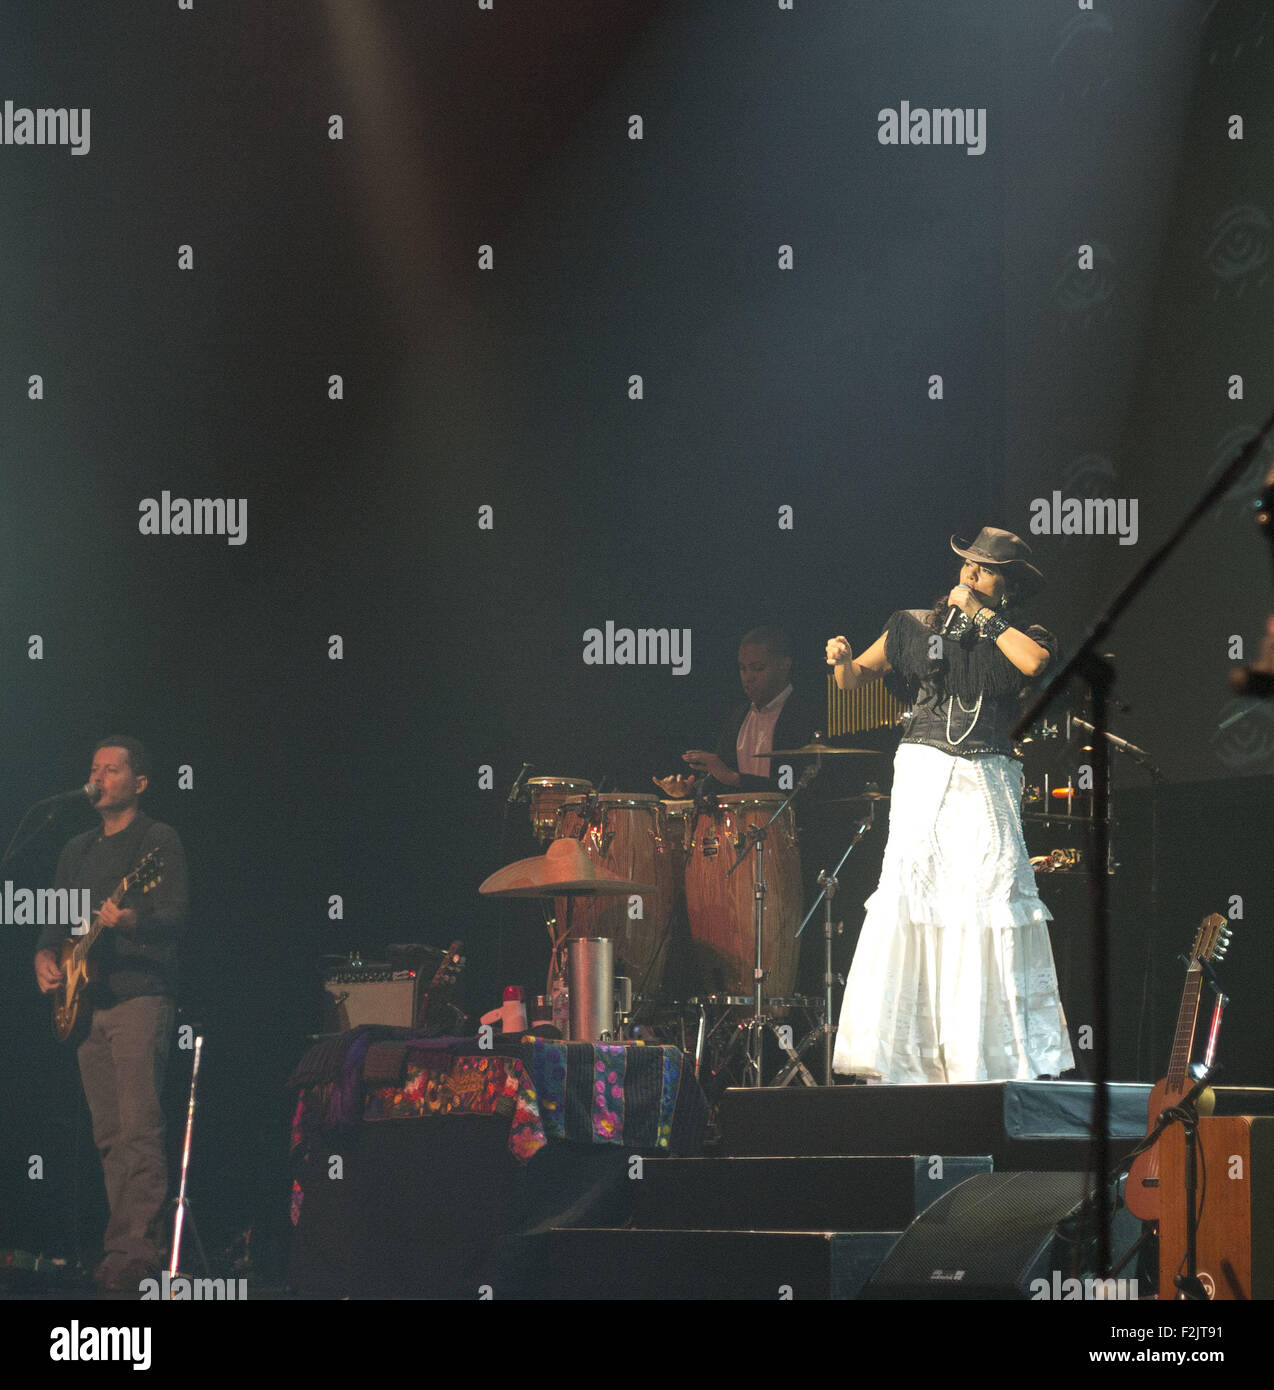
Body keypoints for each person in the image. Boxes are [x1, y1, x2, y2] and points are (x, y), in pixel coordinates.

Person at [825, 529, 1074, 1083]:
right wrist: (841, 661)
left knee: (987, 897)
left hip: (987, 776)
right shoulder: (914, 626)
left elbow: (1033, 665)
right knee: (918, 895)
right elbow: (856, 679)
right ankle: (909, 1056)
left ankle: (984, 1057)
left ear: (1005, 586)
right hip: (923, 770)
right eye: (968, 565)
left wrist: (984, 618)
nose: (970, 576)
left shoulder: (1023, 635)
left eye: (985, 571)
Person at [33, 736, 189, 1289]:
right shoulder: (76, 848)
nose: (98, 778)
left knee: (139, 1128)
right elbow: (54, 923)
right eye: (94, 769)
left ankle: (138, 1254)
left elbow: (175, 914)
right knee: (108, 1134)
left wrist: (131, 923)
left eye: (111, 770)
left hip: (139, 996)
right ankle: (118, 1248)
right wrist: (46, 957)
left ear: (139, 783)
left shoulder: (156, 841)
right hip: (86, 1005)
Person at [654, 626, 823, 797]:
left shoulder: (805, 714)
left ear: (784, 665)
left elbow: (796, 786)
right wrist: (691, 788)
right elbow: (722, 779)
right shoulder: (739, 716)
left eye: (758, 668)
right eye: (743, 668)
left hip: (789, 820)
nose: (748, 677)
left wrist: (734, 778)